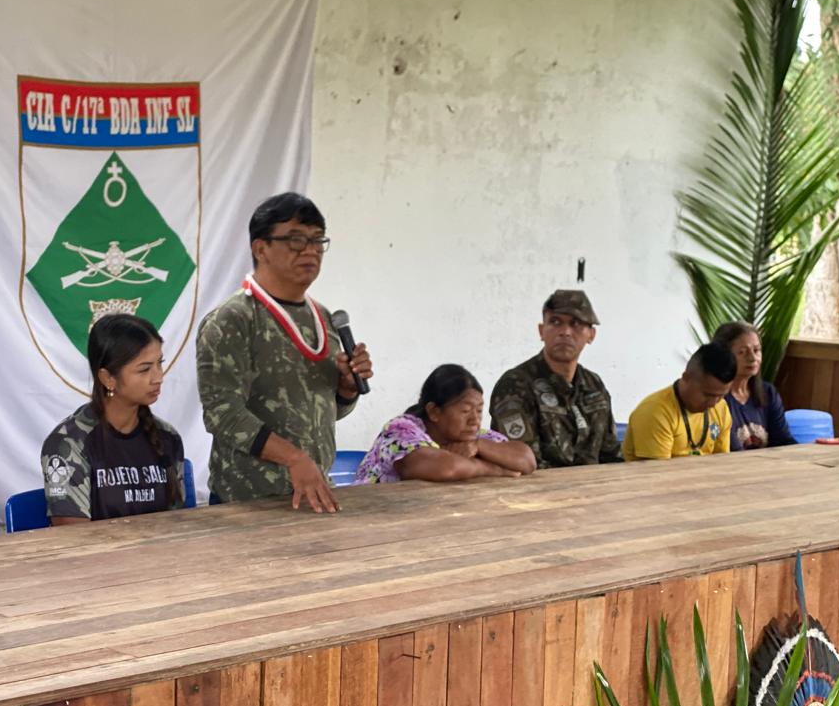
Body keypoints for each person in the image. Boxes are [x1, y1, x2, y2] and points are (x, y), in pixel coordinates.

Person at [196, 192, 373, 512]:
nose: (310, 250)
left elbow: (325, 410)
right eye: (296, 240)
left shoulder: (323, 318)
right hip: (247, 503)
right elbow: (222, 414)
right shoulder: (233, 319)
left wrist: (346, 390)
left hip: (313, 494)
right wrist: (293, 458)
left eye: (318, 240)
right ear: (260, 248)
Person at [41, 314, 185, 523]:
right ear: (108, 378)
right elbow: (72, 537)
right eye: (144, 369)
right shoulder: (68, 444)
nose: (158, 377)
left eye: (159, 364)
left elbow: (178, 524)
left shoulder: (168, 437)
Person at [489, 290, 622, 468]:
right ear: (541, 331)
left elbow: (611, 455)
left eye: (576, 324)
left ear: (591, 335)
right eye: (555, 322)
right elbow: (524, 465)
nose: (565, 332)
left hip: (596, 484)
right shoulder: (515, 385)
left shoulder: (594, 384)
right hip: (539, 485)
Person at [355, 364, 535, 483]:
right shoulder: (401, 430)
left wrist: (478, 445)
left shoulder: (473, 437)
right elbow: (448, 468)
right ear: (434, 411)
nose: (475, 420)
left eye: (479, 410)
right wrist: (496, 470)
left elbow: (527, 460)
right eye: (465, 411)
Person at [624, 342, 736, 460]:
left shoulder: (721, 408)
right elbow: (658, 470)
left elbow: (722, 462)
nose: (713, 403)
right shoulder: (655, 413)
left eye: (721, 395)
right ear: (686, 377)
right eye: (707, 395)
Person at [712, 321, 795, 450]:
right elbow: (732, 451)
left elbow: (783, 440)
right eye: (742, 352)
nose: (752, 358)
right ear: (723, 356)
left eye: (756, 350)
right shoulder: (715, 398)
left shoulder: (768, 393)